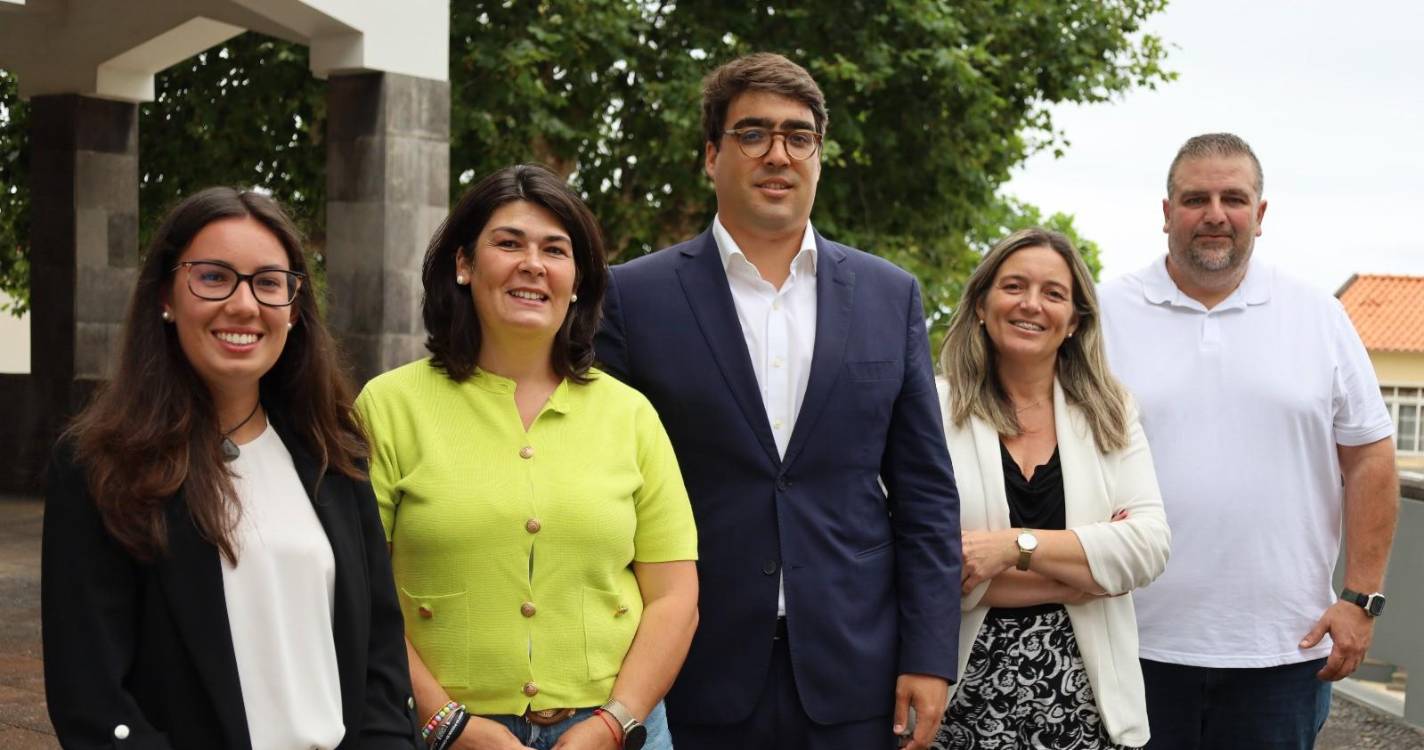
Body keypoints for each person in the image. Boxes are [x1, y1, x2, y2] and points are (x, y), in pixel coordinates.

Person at [595, 53, 961, 750]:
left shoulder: (890, 296)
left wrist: (928, 654)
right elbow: (603, 486)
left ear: (819, 156)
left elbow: (926, 495)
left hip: (859, 675)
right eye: (753, 133)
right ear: (711, 155)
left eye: (799, 136)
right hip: (691, 670)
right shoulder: (634, 299)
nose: (778, 155)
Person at [42, 187, 418, 749]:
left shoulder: (335, 456)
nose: (244, 305)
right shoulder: (100, 466)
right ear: (166, 296)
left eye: (269, 283)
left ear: (294, 311)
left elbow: (381, 663)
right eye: (214, 277)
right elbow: (92, 704)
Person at [356, 164, 699, 750]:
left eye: (555, 250)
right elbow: (362, 597)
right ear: (463, 265)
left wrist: (612, 725)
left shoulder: (631, 415)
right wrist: (448, 725)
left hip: (613, 733)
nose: (532, 264)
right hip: (437, 735)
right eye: (508, 243)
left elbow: (674, 597)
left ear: (578, 280)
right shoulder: (389, 407)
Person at [1098, 133, 1400, 750]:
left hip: (1283, 652)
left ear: (1260, 215)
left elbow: (1370, 458)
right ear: (1165, 214)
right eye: (1195, 198)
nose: (1214, 214)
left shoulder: (1318, 316)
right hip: (1128, 641)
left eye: (1233, 198)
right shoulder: (1103, 314)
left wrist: (1361, 600)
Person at [931, 228, 1171, 750]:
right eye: (1013, 286)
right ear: (980, 304)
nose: (1031, 305)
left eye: (1054, 294)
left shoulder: (1110, 412)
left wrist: (1010, 549)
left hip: (1087, 712)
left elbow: (1149, 546)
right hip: (956, 705)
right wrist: (1089, 577)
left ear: (1074, 321)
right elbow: (922, 565)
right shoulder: (931, 410)